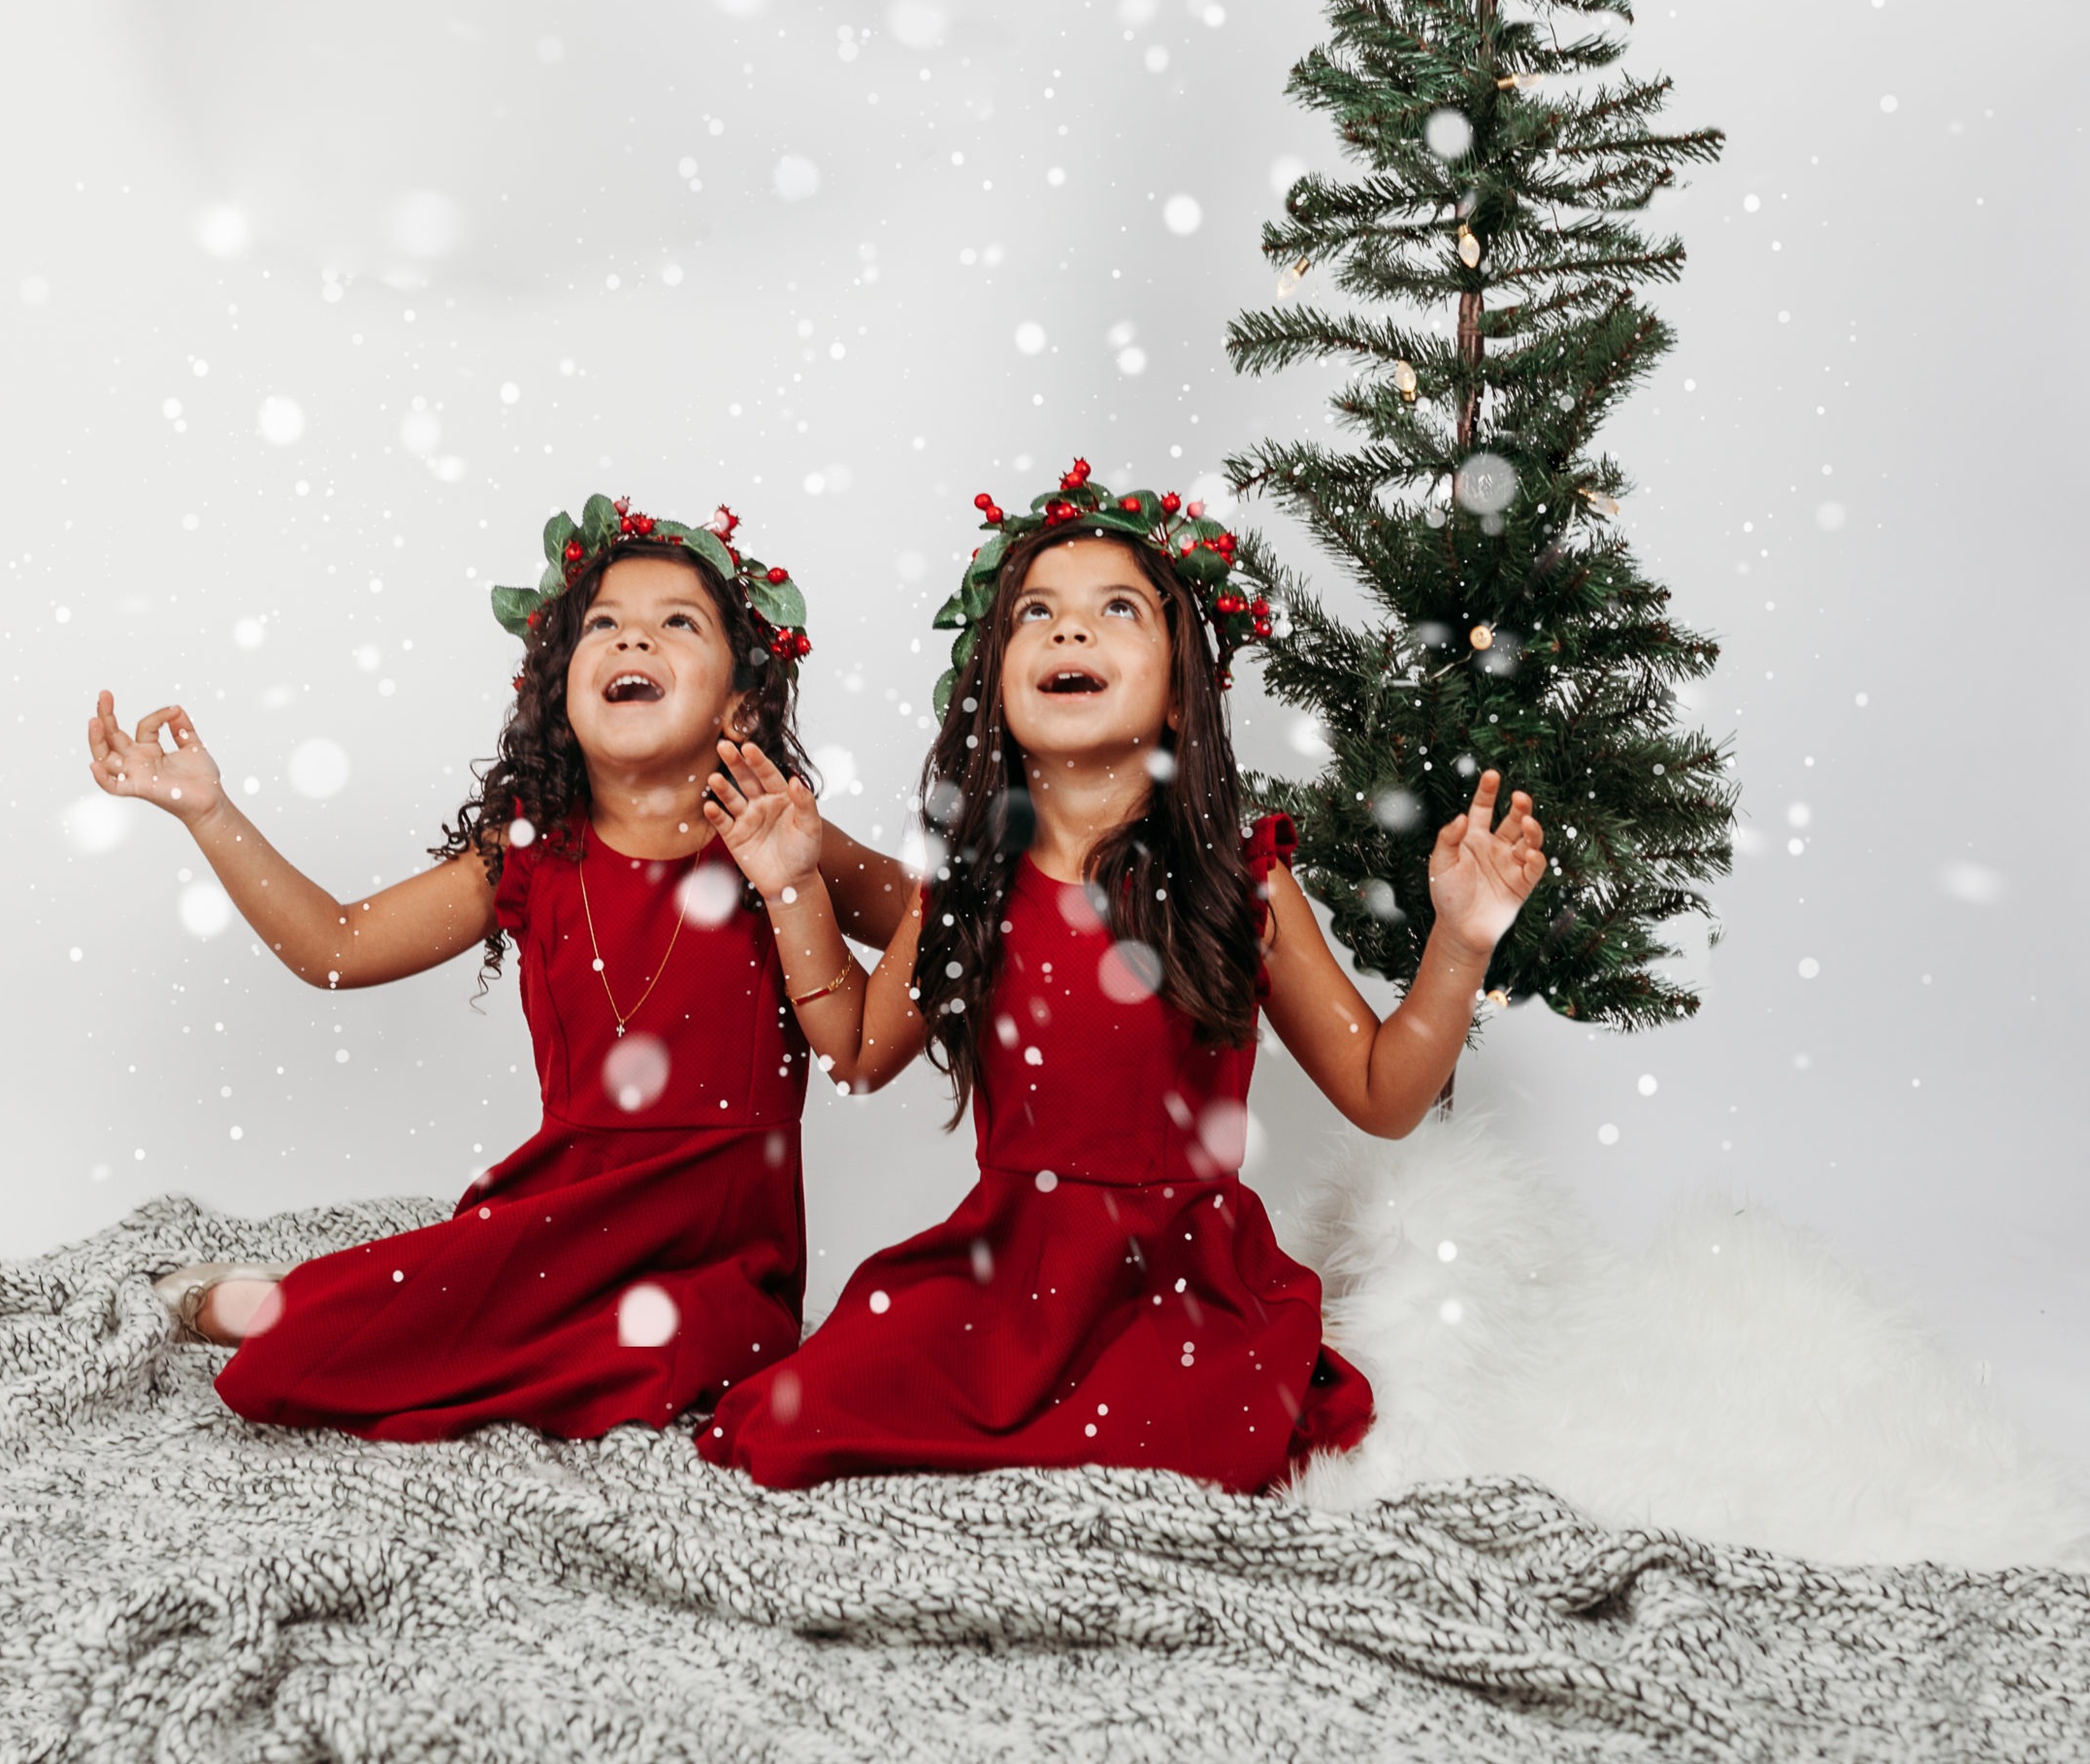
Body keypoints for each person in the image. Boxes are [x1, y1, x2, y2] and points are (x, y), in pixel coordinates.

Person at [692, 462, 1549, 1492]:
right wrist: (791, 885)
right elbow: (858, 1051)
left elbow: (1385, 1094)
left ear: (1184, 698)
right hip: (1003, 1277)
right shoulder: (966, 883)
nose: (1067, 630)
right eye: (1036, 614)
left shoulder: (1245, 887)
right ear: (994, 690)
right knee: (785, 1423)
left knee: (1168, 1444)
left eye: (1116, 609)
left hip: (1182, 1292)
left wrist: (1461, 941)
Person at [86, 497, 902, 1442]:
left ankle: (347, 1306)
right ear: (560, 687)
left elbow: (931, 911)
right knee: (298, 1361)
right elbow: (336, 946)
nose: (633, 638)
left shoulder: (786, 844)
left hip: (723, 1251)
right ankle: (271, 1299)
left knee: (667, 1360)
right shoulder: (528, 853)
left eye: (677, 622)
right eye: (604, 625)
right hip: (556, 1221)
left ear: (741, 700)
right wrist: (207, 810)